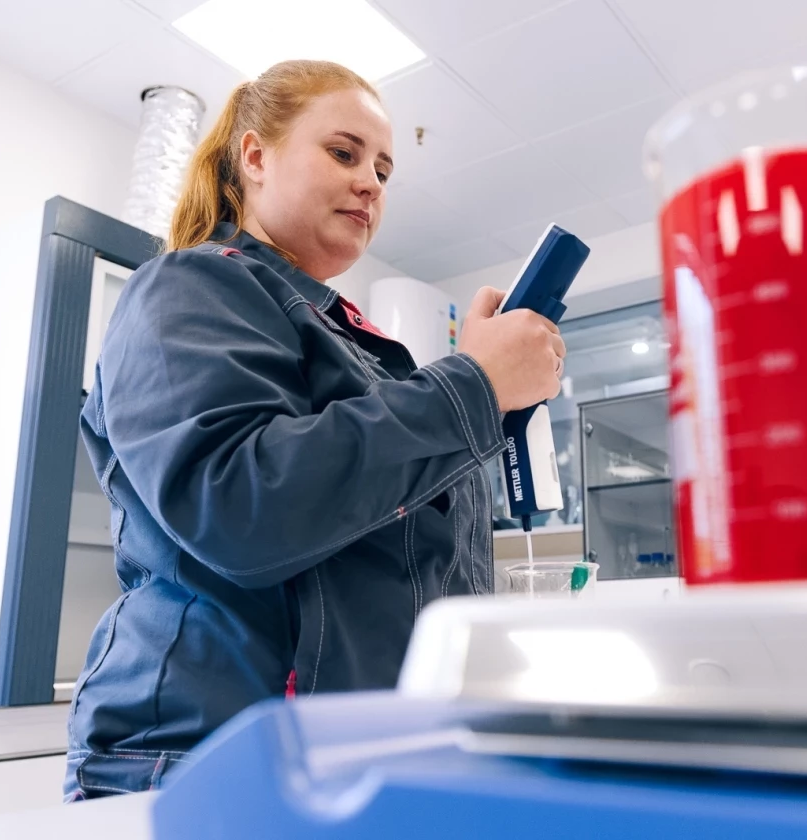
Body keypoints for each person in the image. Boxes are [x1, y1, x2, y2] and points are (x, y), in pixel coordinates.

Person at [64, 59, 565, 801]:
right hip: (204, 758)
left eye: (384, 170)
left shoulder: (360, 352)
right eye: (343, 153)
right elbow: (240, 506)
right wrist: (473, 386)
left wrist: (483, 396)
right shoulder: (186, 286)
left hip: (350, 755)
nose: (371, 183)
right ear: (255, 156)